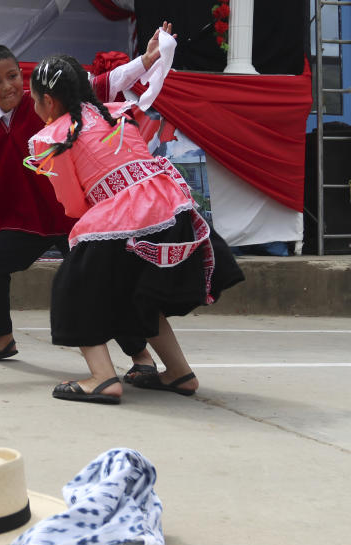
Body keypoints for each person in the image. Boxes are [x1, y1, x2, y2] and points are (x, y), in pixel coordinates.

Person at [0, 26, 174, 374]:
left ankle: (140, 357)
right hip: (28, 222)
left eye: (11, 76)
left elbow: (101, 84)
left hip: (76, 221)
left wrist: (146, 59)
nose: (6, 87)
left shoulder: (47, 102)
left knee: (105, 285)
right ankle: (2, 339)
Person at [26, 55, 244, 404]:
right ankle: (179, 373)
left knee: (73, 290)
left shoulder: (59, 135)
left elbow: (72, 202)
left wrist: (95, 218)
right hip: (171, 204)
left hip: (127, 214)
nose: (36, 108)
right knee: (140, 294)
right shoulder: (117, 115)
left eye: (35, 100)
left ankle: (101, 378)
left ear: (48, 101)